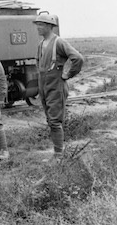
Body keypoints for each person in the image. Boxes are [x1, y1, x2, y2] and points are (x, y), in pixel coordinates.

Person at [34, 14, 84, 162]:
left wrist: (67, 74)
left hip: (56, 85)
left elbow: (78, 58)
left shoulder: (59, 42)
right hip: (44, 85)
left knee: (55, 121)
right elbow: (39, 64)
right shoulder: (41, 44)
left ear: (50, 26)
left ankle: (58, 156)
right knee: (50, 120)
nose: (38, 27)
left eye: (41, 24)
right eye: (37, 24)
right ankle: (57, 153)